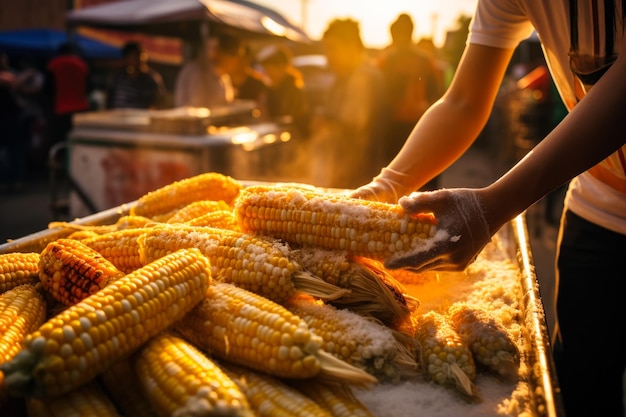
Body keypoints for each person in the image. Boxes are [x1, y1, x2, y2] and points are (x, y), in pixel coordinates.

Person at [351, 1, 626, 416]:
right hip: (599, 204)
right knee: (581, 385)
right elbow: (462, 101)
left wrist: (493, 206)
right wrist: (389, 184)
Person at [309, 18, 388, 190]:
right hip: (342, 172)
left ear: (351, 46)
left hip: (360, 176)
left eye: (332, 49)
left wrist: (325, 122)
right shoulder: (341, 78)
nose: (327, 56)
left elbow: (354, 122)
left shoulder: (364, 77)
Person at [377, 13, 442, 189]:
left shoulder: (387, 60)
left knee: (394, 182)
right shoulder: (426, 60)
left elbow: (378, 97)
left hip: (397, 128)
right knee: (422, 181)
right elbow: (439, 94)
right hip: (422, 125)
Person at [257, 43, 310, 137]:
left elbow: (295, 119)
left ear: (282, 66)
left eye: (270, 68)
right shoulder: (269, 90)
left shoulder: (293, 90)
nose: (268, 73)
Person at [45, 42, 90, 147]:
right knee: (78, 142)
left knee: (60, 143)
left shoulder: (53, 64)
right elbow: (89, 87)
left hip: (60, 110)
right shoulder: (82, 64)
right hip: (80, 109)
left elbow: (48, 89)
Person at [174, 36, 234, 109]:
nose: (213, 53)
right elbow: (198, 104)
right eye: (211, 49)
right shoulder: (196, 71)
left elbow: (227, 101)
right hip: (190, 118)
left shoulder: (224, 76)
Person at [107, 41, 166, 109]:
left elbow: (160, 103)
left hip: (142, 118)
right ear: (126, 59)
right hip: (117, 118)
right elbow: (110, 102)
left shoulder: (151, 79)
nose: (136, 59)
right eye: (132, 56)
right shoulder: (119, 78)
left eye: (138, 56)